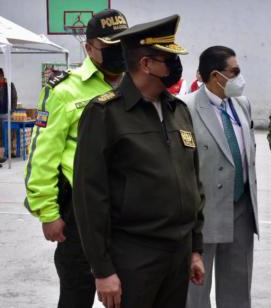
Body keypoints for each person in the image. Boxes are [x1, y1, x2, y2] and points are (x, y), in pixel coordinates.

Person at [73, 15, 205, 308]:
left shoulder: (179, 110)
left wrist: (195, 248)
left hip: (179, 251)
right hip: (135, 254)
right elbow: (89, 196)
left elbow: (193, 181)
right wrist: (103, 269)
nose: (175, 64)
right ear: (146, 64)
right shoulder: (105, 113)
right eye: (168, 58)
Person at [23, 9, 128, 308]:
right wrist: (48, 212)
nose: (117, 52)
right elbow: (42, 155)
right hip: (79, 211)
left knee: (127, 292)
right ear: (89, 47)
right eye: (109, 47)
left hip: (128, 209)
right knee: (76, 293)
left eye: (123, 44)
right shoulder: (64, 90)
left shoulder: (137, 85)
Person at [182, 46, 258, 308]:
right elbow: (182, 167)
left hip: (241, 210)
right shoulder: (186, 108)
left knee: (238, 290)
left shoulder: (242, 104)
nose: (240, 77)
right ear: (215, 75)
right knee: (196, 294)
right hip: (203, 214)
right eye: (234, 72)